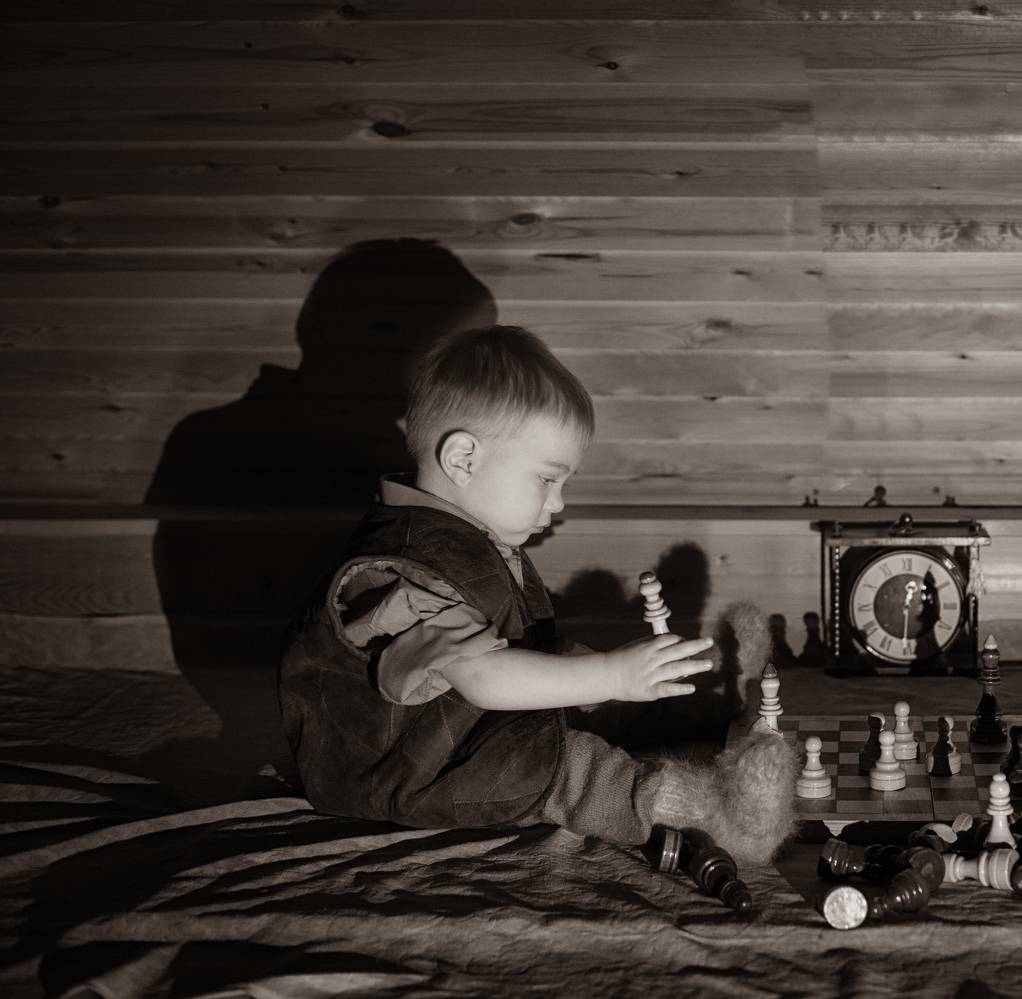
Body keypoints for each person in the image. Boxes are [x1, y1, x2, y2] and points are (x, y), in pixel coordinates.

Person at [278, 325, 795, 863]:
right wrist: (609, 674)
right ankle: (717, 812)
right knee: (569, 766)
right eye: (548, 479)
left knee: (592, 686)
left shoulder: (463, 536)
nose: (559, 503)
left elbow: (514, 646)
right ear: (463, 459)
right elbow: (482, 677)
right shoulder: (409, 570)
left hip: (460, 726)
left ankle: (710, 710)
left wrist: (609, 678)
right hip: (411, 767)